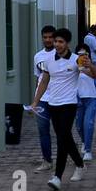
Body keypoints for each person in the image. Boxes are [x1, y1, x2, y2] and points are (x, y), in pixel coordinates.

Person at [29, 27, 90, 191]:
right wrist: (35, 102)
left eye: (60, 41)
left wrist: (90, 65)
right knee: (64, 137)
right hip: (52, 104)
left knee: (63, 138)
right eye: (55, 41)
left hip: (69, 104)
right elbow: (44, 81)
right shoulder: (48, 60)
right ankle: (79, 163)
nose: (56, 44)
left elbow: (95, 75)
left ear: (67, 43)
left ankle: (57, 177)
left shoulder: (77, 59)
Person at [74, 43, 96, 161]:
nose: (82, 56)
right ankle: (84, 141)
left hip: (92, 98)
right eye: (80, 54)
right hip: (78, 99)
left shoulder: (93, 65)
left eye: (85, 54)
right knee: (78, 126)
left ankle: (88, 150)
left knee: (88, 123)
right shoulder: (73, 65)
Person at [32, 26, 56, 172]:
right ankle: (47, 160)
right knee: (43, 130)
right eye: (45, 37)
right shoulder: (38, 56)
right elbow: (38, 78)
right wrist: (35, 99)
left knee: (61, 131)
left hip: (58, 98)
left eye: (50, 37)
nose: (47, 40)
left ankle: (69, 156)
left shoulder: (60, 54)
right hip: (42, 99)